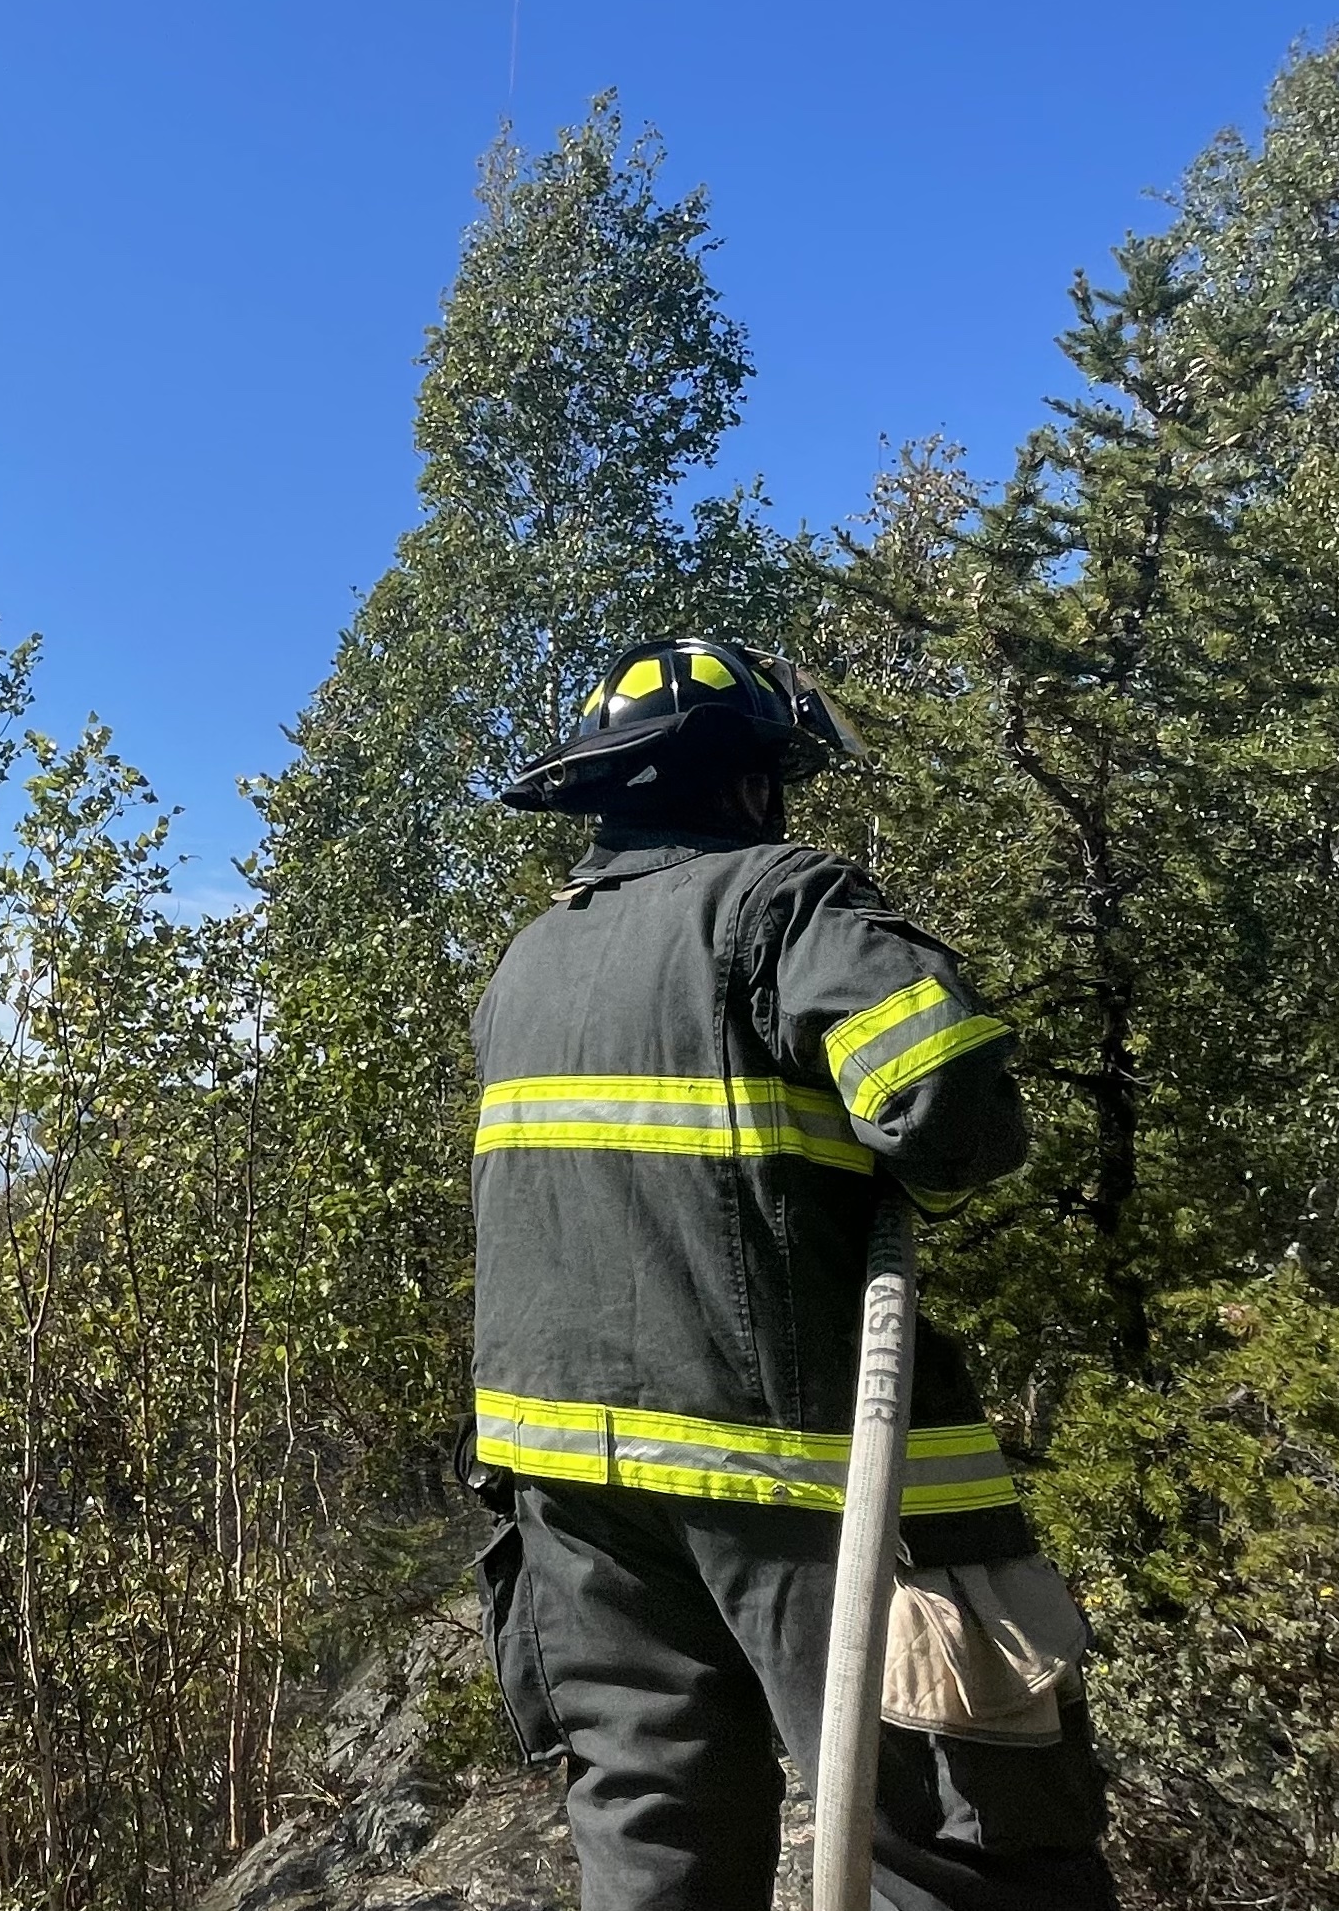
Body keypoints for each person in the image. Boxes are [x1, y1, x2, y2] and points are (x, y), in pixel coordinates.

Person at [467, 637, 1118, 1911]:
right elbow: (946, 1105)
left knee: (652, 1824)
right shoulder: (784, 902)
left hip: (570, 1498)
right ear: (751, 783)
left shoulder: (525, 965)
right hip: (806, 1480)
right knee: (954, 1828)